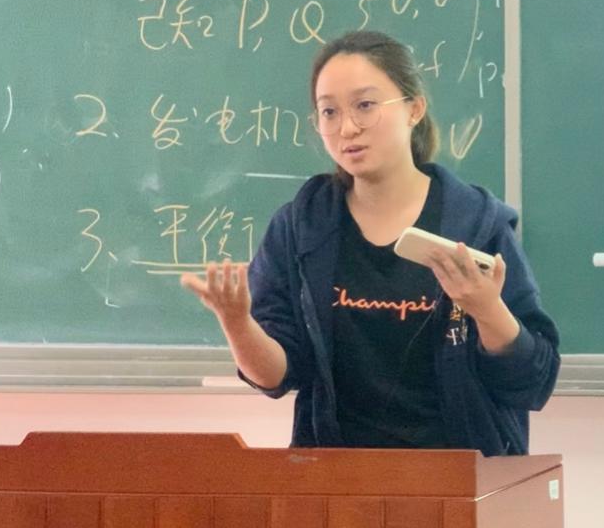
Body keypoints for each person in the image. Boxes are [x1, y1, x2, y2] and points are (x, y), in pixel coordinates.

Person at [180, 30, 560, 455]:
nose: (347, 128)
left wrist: (488, 311)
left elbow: (533, 381)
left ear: (414, 108)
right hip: (336, 479)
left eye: (365, 105)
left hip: (460, 476)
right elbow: (277, 376)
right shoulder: (302, 226)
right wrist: (238, 325)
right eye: (329, 112)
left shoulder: (475, 224)